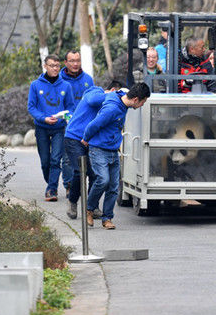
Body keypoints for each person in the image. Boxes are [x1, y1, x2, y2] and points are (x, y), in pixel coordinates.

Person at [82, 82, 151, 229]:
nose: (142, 106)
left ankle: (107, 218)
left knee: (114, 187)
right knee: (103, 180)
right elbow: (94, 125)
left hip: (113, 150)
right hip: (98, 149)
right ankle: (89, 209)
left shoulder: (121, 98)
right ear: (136, 100)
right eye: (143, 102)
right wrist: (86, 139)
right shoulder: (112, 109)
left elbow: (118, 93)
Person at [63, 79, 123, 223]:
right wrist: (113, 96)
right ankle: (72, 202)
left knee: (96, 174)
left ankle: (92, 207)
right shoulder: (95, 91)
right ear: (113, 91)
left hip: (91, 141)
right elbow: (92, 100)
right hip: (75, 137)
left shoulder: (111, 106)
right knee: (80, 170)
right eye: (118, 95)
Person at [27, 54, 75, 201]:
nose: (55, 68)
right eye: (52, 66)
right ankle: (51, 182)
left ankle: (52, 189)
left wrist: (67, 117)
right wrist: (43, 118)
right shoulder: (35, 85)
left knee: (56, 159)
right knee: (45, 162)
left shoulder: (66, 86)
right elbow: (31, 107)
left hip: (59, 128)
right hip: (41, 127)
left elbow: (70, 107)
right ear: (45, 66)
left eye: (57, 66)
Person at [60, 49, 95, 192]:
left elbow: (93, 100)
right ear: (66, 62)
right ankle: (69, 185)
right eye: (72, 61)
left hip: (84, 125)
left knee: (87, 157)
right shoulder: (60, 80)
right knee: (67, 158)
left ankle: (82, 185)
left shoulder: (88, 79)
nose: (75, 64)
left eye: (78, 61)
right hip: (65, 124)